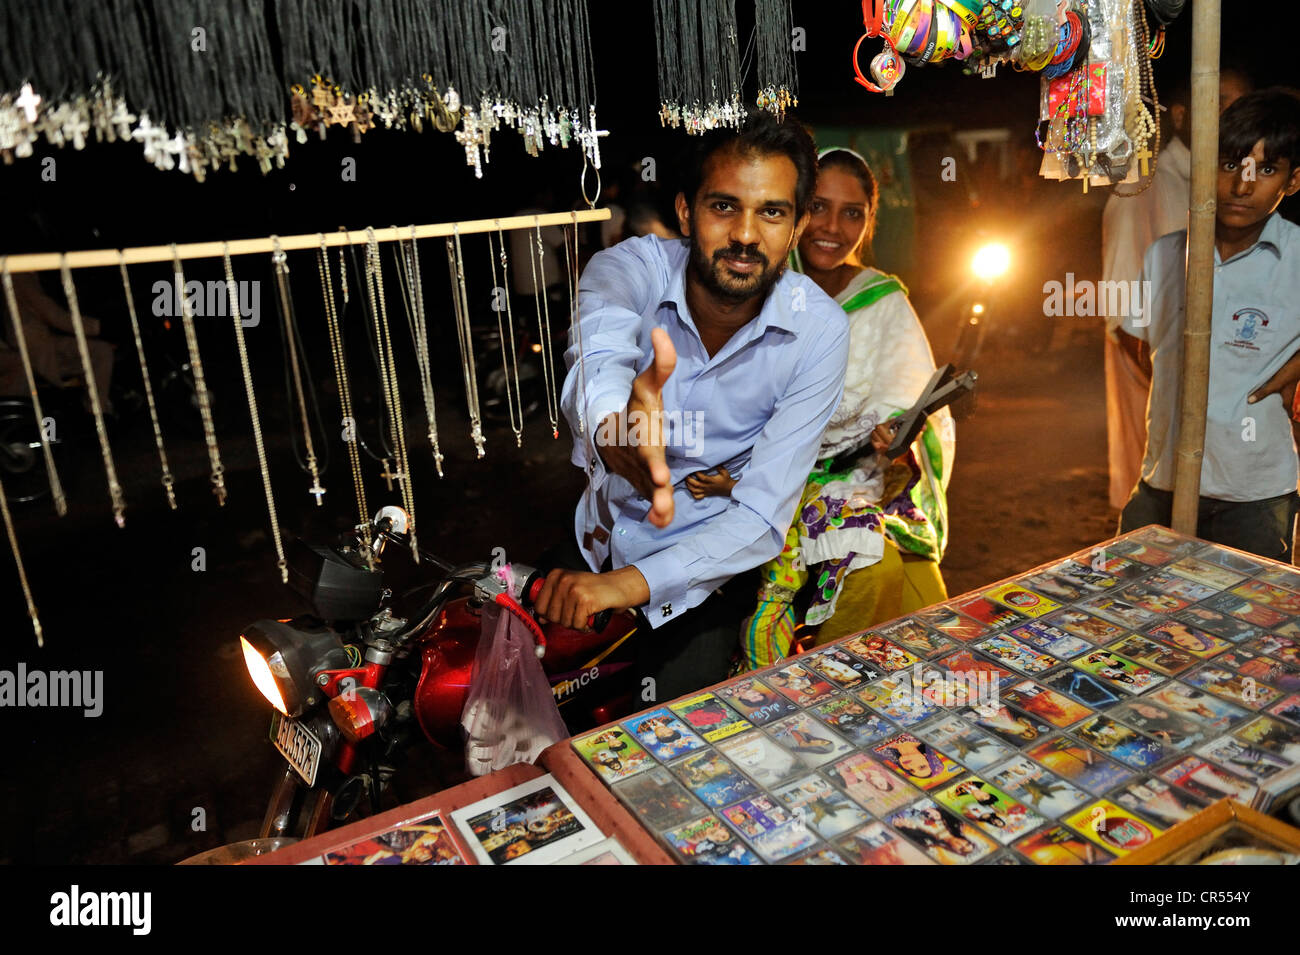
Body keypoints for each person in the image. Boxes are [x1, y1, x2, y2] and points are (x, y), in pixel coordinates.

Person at [533, 112, 851, 703]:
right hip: (598, 539)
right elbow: (599, 344)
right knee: (520, 698)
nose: (747, 235)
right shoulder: (628, 268)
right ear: (686, 212)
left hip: (706, 572)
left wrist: (626, 587)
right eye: (724, 207)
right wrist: (610, 428)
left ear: (799, 224)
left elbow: (759, 516)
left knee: (670, 741)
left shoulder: (819, 331)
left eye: (772, 212)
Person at [688, 148, 953, 667]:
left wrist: (897, 435)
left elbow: (915, 406)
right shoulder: (755, 284)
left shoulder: (882, 301)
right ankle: (832, 700)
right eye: (819, 206)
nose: (833, 226)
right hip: (764, 486)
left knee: (936, 620)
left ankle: (906, 717)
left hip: (866, 485)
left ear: (870, 221)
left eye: (853, 212)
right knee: (873, 575)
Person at [1117, 89, 1300, 560]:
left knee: (1248, 627)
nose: (1242, 186)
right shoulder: (1164, 255)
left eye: (1266, 169)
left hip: (1254, 494)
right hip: (1163, 482)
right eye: (1229, 165)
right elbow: (1139, 344)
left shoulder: (1297, 258)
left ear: (1293, 180)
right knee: (1138, 610)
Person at [1101, 68, 1254, 511]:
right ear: (1183, 115)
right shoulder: (1143, 189)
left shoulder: (1237, 193)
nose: (1234, 117)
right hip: (1165, 411)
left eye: (1242, 106)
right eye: (1222, 103)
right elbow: (1123, 320)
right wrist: (1185, 397)